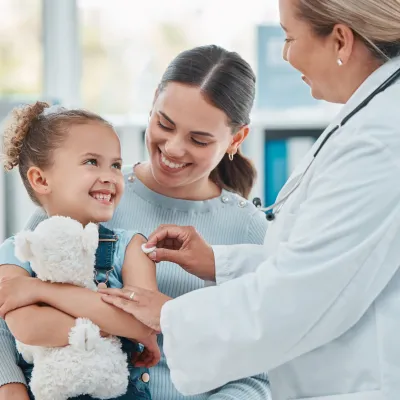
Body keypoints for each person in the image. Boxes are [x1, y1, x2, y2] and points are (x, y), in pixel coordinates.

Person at [95, 1, 400, 399]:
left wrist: (169, 315)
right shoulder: (371, 119)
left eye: (289, 37)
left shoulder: (379, 139)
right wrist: (218, 263)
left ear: (340, 40)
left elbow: (302, 293)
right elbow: (321, 261)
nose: (285, 55)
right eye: (164, 123)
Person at [0, 46, 270, 400]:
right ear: (153, 102)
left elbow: (257, 372)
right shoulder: (87, 197)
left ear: (236, 139)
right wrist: (11, 387)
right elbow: (8, 308)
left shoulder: (248, 229)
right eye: (164, 124)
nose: (173, 148)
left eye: (199, 139)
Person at [0, 101, 160, 399]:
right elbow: (29, 327)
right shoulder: (15, 252)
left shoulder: (133, 246)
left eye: (115, 164)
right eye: (91, 162)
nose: (111, 176)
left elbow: (143, 322)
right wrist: (112, 326)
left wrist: (40, 291)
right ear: (41, 179)